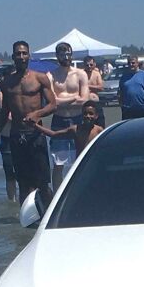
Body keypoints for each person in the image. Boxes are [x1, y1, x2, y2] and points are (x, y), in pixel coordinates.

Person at [0, 41, 56, 206]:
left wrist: (37, 114)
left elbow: (53, 104)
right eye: (18, 54)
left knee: (43, 183)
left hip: (35, 134)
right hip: (17, 136)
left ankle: (49, 218)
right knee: (23, 183)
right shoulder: (6, 82)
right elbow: (4, 113)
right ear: (13, 57)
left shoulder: (40, 78)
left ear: (29, 55)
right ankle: (26, 220)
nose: (21, 56)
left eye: (24, 53)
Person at [48, 42, 89, 191]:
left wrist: (62, 100)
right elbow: (52, 102)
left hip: (78, 121)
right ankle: (58, 195)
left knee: (80, 160)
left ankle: (79, 192)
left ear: (71, 55)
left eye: (67, 54)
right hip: (59, 121)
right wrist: (73, 98)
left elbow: (84, 99)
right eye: (62, 54)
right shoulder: (51, 75)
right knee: (58, 163)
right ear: (57, 56)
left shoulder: (80, 74)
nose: (65, 57)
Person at [35, 100, 104, 157]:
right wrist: (35, 126)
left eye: (91, 113)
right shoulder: (76, 129)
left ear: (96, 116)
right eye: (85, 113)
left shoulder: (99, 130)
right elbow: (54, 134)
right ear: (82, 115)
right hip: (80, 164)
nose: (87, 116)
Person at [118, 55, 144, 119]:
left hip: (142, 107)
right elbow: (120, 92)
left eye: (133, 63)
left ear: (137, 63)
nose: (131, 64)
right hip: (128, 109)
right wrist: (121, 104)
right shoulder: (124, 77)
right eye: (129, 63)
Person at [83, 55, 105, 127]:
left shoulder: (96, 74)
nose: (89, 66)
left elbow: (101, 87)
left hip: (96, 103)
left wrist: (88, 86)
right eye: (87, 65)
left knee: (100, 124)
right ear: (84, 65)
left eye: (91, 65)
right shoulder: (82, 74)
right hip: (85, 103)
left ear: (94, 64)